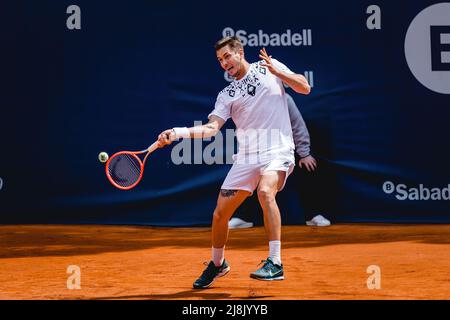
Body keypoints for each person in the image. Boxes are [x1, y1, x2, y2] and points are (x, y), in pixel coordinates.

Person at [157, 36, 311, 289]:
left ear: (239, 52)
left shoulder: (269, 66)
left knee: (265, 191)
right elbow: (210, 129)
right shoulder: (226, 94)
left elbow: (304, 87)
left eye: (227, 56)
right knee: (220, 214)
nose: (224, 63)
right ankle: (218, 264)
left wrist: (278, 73)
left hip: (278, 149)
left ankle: (275, 262)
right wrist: (177, 132)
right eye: (220, 60)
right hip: (248, 157)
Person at [229, 93, 331, 228]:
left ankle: (313, 214)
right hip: (258, 150)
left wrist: (304, 153)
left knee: (308, 166)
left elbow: (297, 125)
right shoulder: (247, 100)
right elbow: (242, 129)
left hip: (285, 149)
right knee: (248, 176)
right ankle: (243, 217)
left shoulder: (284, 99)